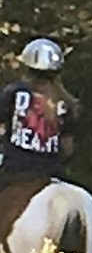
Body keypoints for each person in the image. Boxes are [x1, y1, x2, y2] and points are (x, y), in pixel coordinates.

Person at [1, 39, 74, 185]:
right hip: (52, 170)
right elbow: (67, 149)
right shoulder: (67, 102)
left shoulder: (13, 92)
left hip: (15, 166)